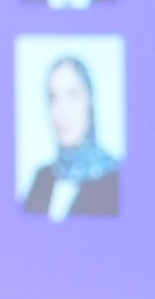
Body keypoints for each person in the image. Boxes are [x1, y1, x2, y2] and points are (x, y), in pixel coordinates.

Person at [17, 53, 119, 216]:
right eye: (54, 98)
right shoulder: (43, 178)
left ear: (89, 101)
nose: (61, 110)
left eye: (72, 96)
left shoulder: (116, 179)